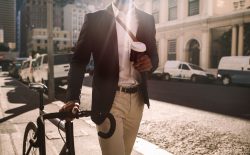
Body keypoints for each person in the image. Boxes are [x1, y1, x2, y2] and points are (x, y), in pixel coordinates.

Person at [60, 0, 158, 154]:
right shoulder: (95, 20)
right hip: (109, 101)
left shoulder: (147, 19)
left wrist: (150, 63)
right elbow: (79, 61)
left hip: (137, 100)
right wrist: (73, 98)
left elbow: (154, 55)